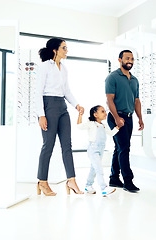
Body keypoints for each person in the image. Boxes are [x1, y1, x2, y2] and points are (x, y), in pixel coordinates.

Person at [36, 38, 84, 196]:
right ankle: (42, 182)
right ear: (55, 50)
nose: (67, 50)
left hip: (63, 107)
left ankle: (72, 180)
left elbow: (67, 91)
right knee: (48, 146)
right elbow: (37, 92)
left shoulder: (64, 69)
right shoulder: (44, 67)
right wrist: (41, 115)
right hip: (48, 106)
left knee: (67, 146)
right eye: (64, 48)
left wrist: (76, 105)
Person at [105, 50, 144, 193]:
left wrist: (140, 118)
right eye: (127, 58)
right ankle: (128, 181)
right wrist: (116, 118)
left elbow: (137, 101)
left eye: (132, 59)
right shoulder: (112, 77)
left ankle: (114, 178)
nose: (130, 61)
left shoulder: (134, 80)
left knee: (120, 148)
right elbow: (109, 100)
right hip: (116, 117)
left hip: (129, 117)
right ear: (119, 59)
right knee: (125, 148)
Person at [77, 105, 119, 197]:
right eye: (102, 111)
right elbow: (79, 126)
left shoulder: (104, 126)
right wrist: (80, 115)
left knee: (94, 169)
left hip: (101, 150)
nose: (105, 113)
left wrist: (118, 127)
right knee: (99, 168)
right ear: (95, 114)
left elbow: (111, 133)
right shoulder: (91, 123)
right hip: (93, 149)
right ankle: (103, 188)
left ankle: (88, 185)